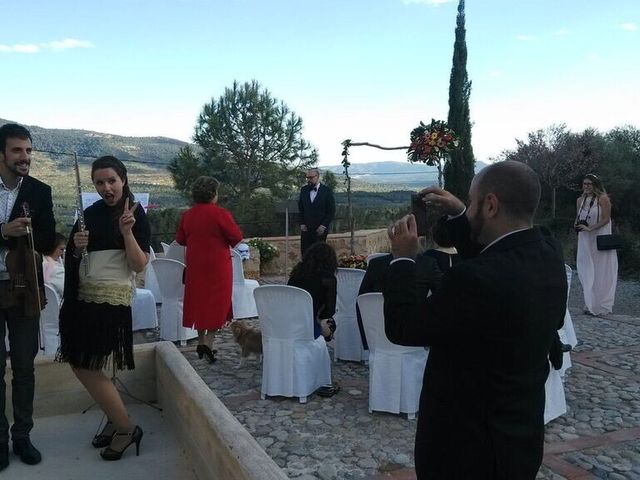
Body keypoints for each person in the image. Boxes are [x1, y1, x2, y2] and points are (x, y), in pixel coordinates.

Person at [384, 161, 567, 479]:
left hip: (466, 453)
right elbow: (497, 255)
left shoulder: (470, 281)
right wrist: (461, 212)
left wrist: (402, 259)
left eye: (472, 202)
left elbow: (403, 326)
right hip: (519, 442)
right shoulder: (549, 251)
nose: (468, 209)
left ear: (491, 205)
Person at [58, 155, 150, 461]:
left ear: (123, 179)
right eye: (99, 182)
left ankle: (126, 428)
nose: (106, 187)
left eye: (111, 180)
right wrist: (78, 247)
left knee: (85, 364)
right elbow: (73, 257)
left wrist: (126, 233)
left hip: (111, 297)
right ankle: (114, 419)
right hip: (84, 296)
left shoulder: (134, 212)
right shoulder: (90, 212)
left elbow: (138, 265)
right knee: (86, 362)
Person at [0, 123, 55, 471]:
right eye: (18, 150)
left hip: (24, 289)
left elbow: (49, 240)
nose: (25, 157)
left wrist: (40, 237)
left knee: (24, 367)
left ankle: (22, 436)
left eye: (29, 150)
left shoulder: (39, 190)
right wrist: (3, 230)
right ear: (2, 154)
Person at [176, 176, 243, 364]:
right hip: (217, 267)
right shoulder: (220, 214)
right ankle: (209, 344)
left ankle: (201, 341)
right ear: (213, 194)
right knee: (217, 305)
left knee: (199, 302)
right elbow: (236, 237)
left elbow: (181, 239)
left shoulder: (187, 215)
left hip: (195, 266)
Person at [356, 252, 442, 351]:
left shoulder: (376, 264)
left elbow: (361, 302)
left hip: (379, 342)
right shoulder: (427, 264)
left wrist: (367, 341)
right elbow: (443, 297)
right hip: (413, 341)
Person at [574, 174, 618, 316]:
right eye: (584, 184)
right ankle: (589, 303)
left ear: (595, 185)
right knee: (586, 269)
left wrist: (591, 228)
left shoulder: (603, 199)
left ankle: (601, 305)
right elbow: (578, 217)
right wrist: (577, 225)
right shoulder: (580, 200)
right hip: (585, 239)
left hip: (599, 238)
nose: (586, 186)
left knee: (602, 270)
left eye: (589, 184)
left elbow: (606, 219)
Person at [287, 242, 338, 342]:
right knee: (331, 323)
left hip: (290, 321)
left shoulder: (296, 274)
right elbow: (329, 311)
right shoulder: (328, 279)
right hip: (310, 325)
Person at [298, 168, 335, 256]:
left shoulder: (326, 191)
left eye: (311, 177)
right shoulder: (304, 190)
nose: (308, 180)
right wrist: (302, 223)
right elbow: (301, 208)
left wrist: (323, 226)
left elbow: (331, 210)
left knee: (319, 254)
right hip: (306, 229)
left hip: (320, 230)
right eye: (307, 178)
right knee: (306, 254)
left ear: (317, 177)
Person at [42, 232, 66, 299]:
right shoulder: (57, 270)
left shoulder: (38, 263)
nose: (62, 253)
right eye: (61, 249)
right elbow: (66, 291)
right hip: (56, 307)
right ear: (52, 247)